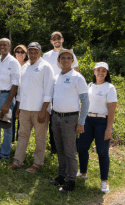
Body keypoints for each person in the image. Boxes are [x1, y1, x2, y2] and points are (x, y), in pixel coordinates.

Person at [9, 42, 54, 173]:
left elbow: (48, 91)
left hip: (40, 110)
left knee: (40, 138)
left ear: (40, 53)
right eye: (31, 52)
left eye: (36, 52)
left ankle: (37, 163)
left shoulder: (46, 67)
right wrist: (18, 107)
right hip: (24, 108)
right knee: (22, 135)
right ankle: (18, 161)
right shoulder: (24, 67)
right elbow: (21, 90)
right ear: (28, 52)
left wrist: (44, 110)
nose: (33, 54)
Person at [50, 48, 89, 193]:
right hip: (56, 117)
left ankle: (71, 180)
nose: (65, 60)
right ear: (58, 61)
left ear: (73, 61)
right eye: (63, 58)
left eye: (68, 58)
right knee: (59, 148)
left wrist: (81, 122)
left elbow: (85, 102)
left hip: (70, 119)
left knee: (70, 151)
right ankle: (62, 175)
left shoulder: (77, 77)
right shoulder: (56, 77)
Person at [77, 62, 117, 193]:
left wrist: (108, 129)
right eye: (98, 70)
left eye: (104, 70)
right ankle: (83, 172)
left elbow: (111, 111)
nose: (101, 72)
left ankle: (104, 181)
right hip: (88, 120)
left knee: (102, 152)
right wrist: (81, 121)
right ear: (94, 71)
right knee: (82, 147)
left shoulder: (110, 88)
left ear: (107, 73)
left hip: (102, 122)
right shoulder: (89, 86)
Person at [43, 31, 79, 154]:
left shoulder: (69, 54)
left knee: (68, 119)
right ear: (51, 41)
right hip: (51, 91)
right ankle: (54, 147)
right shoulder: (46, 56)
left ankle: (71, 147)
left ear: (62, 40)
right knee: (53, 119)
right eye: (54, 38)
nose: (57, 40)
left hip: (66, 91)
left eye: (59, 38)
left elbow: (76, 72)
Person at [11, 44, 28, 143]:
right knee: (11, 118)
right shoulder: (12, 65)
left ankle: (20, 142)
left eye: (22, 52)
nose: (20, 54)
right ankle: (11, 141)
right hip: (12, 95)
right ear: (15, 54)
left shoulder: (29, 65)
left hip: (25, 96)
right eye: (18, 52)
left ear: (26, 54)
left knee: (22, 121)